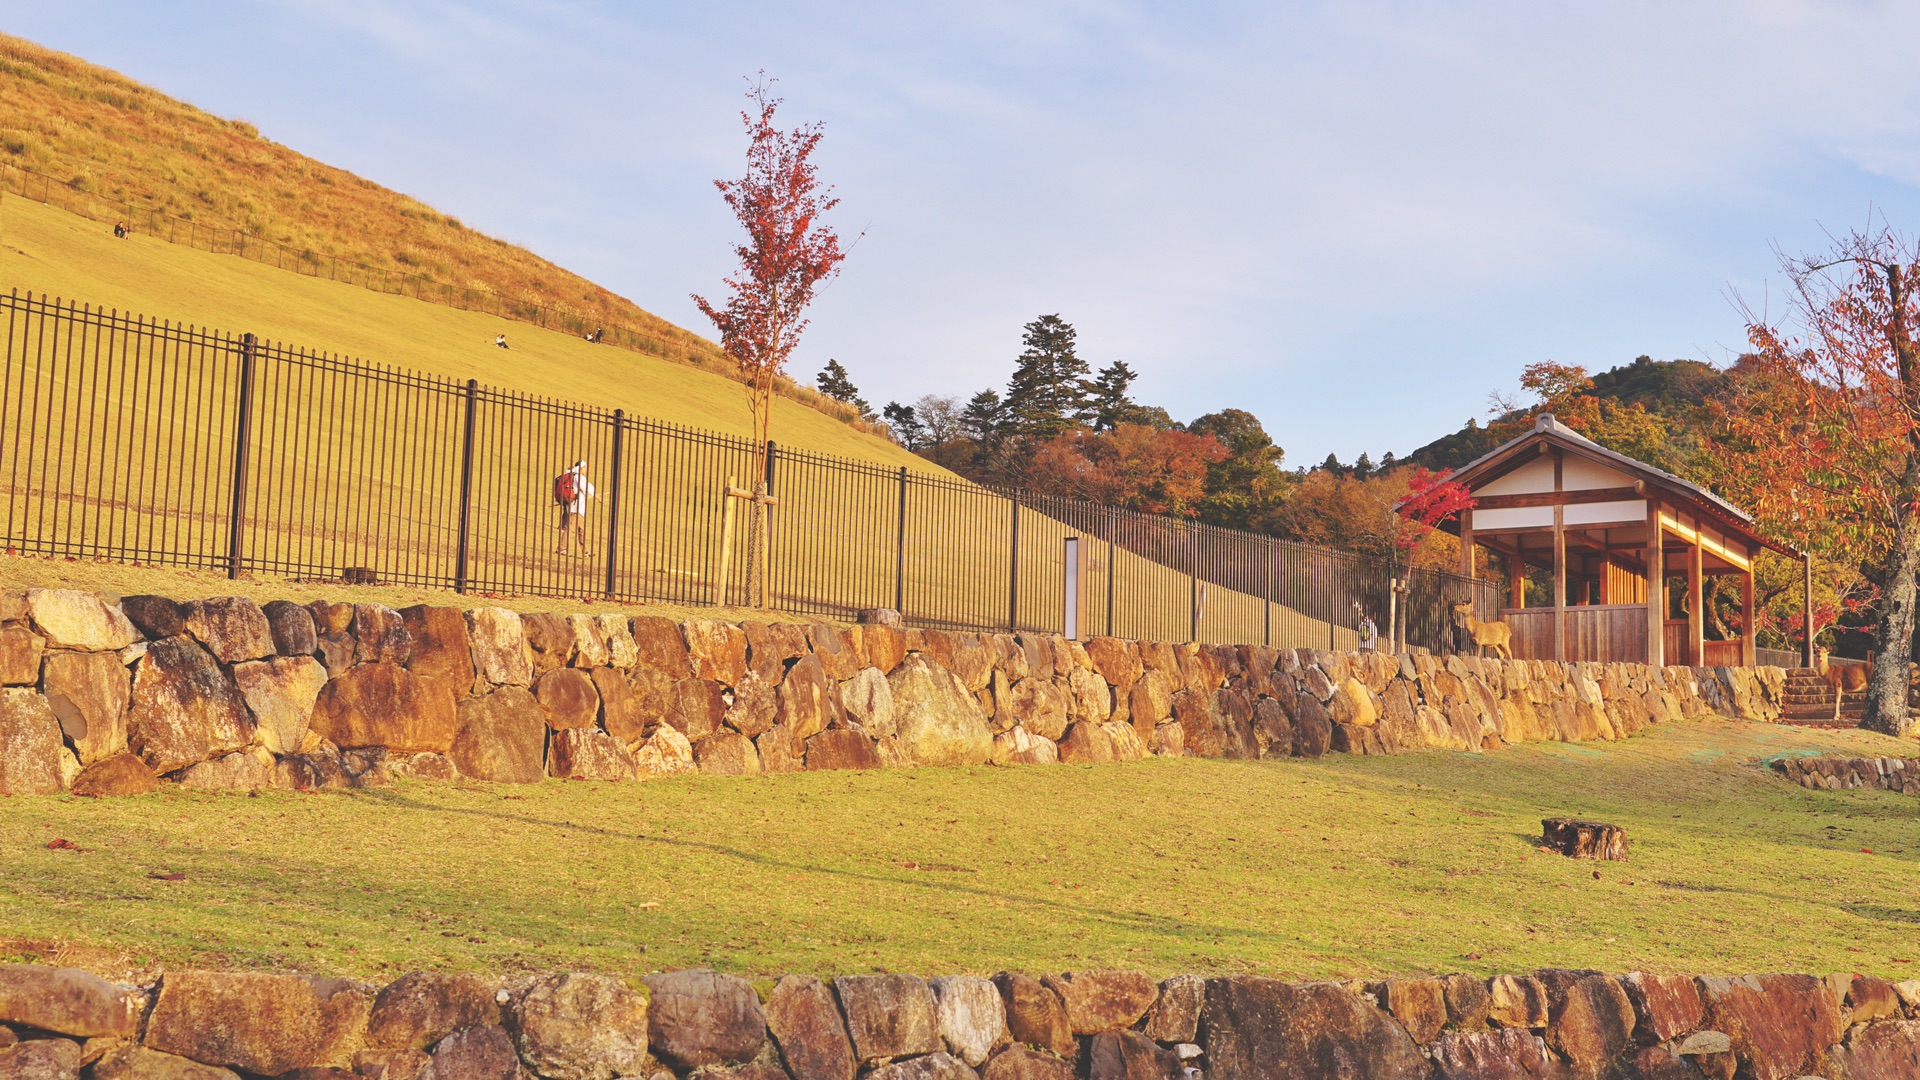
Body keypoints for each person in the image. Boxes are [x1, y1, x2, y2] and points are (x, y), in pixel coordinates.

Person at [554, 460, 598, 556]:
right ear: (581, 468)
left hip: (580, 509)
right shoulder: (578, 477)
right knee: (570, 529)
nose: (586, 469)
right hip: (576, 509)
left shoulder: (576, 477)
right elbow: (588, 488)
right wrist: (596, 495)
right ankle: (561, 548)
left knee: (581, 530)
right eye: (585, 467)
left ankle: (585, 551)